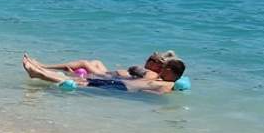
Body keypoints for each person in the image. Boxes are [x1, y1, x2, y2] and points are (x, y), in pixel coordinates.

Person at [22, 51, 186, 94]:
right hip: (119, 84)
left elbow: (155, 93)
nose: (162, 70)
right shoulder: (162, 80)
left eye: (165, 68)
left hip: (121, 87)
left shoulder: (167, 84)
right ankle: (38, 72)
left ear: (170, 71)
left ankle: (39, 72)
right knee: (82, 82)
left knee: (81, 83)